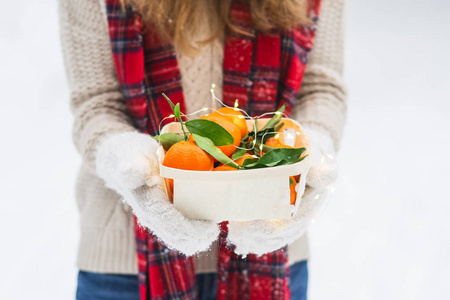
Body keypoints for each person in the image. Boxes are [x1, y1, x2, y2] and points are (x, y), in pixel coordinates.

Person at [58, 0, 346, 299]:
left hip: (271, 250)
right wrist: (124, 159)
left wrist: (310, 151)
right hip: (124, 267)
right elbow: (96, 104)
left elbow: (321, 88)